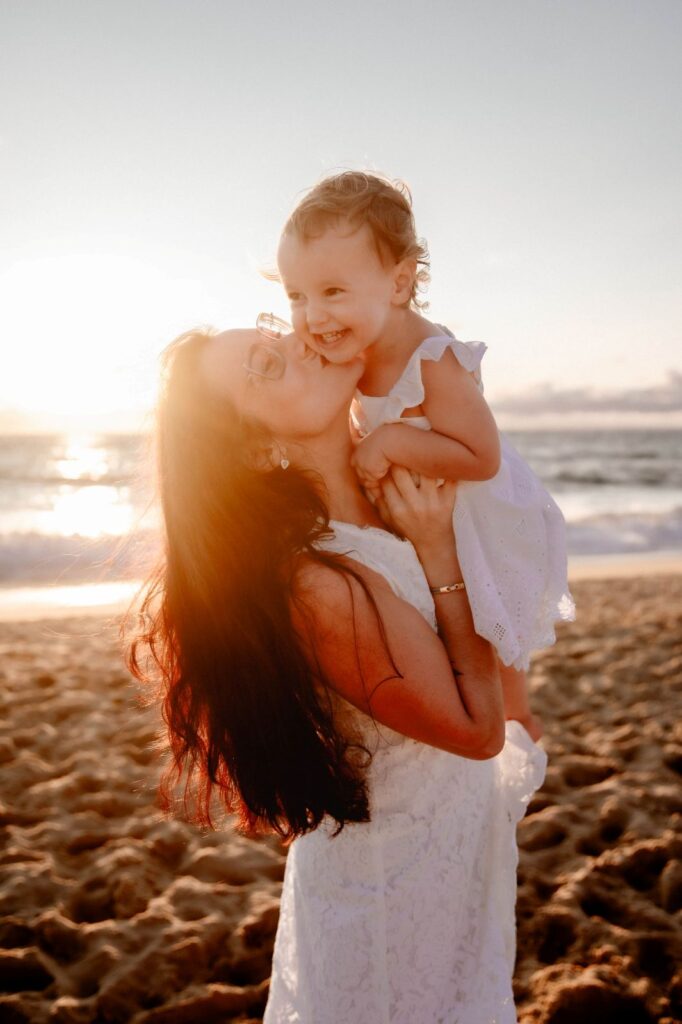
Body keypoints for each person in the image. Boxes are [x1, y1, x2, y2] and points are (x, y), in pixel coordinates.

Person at [127, 318, 546, 1023]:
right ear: (258, 447)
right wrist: (440, 549)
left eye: (270, 331)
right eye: (266, 363)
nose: (294, 339)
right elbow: (477, 733)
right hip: (392, 902)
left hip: (453, 863)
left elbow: (504, 677)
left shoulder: (398, 495)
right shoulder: (317, 583)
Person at [277, 170, 576, 741]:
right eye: (296, 295)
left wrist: (389, 443)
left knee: (497, 623)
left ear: (397, 284)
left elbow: (480, 455)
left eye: (333, 291)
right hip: (435, 510)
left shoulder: (431, 356)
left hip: (483, 514)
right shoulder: (358, 349)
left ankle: (518, 718)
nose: (313, 316)